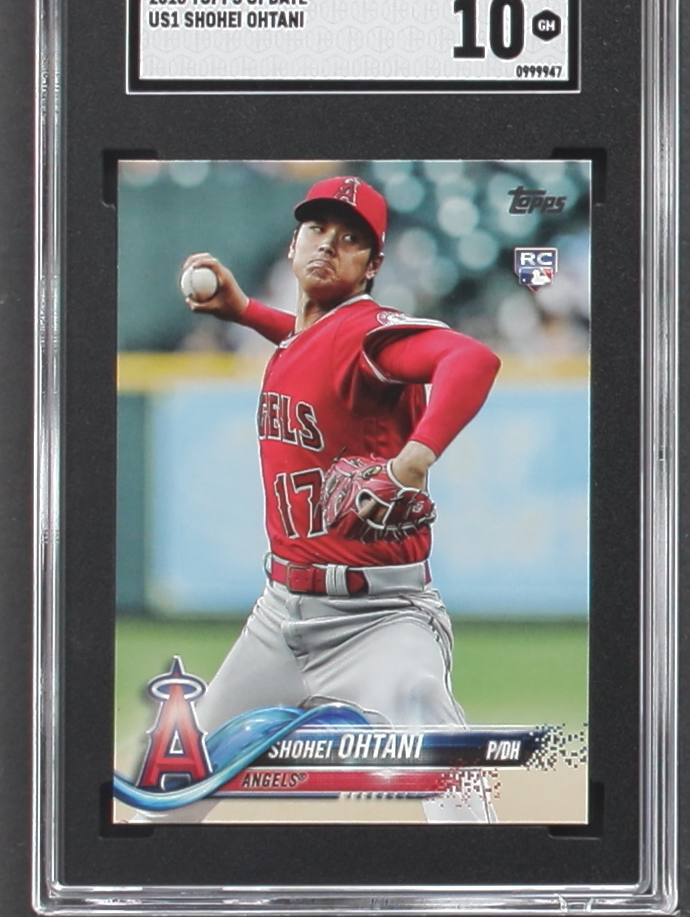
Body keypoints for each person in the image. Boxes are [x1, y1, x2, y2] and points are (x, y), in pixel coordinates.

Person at [146, 175, 501, 822]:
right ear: (292, 244)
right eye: (317, 229)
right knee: (176, 788)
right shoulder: (307, 337)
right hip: (279, 617)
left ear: (373, 265)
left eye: (351, 239)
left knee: (432, 737)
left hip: (379, 618)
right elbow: (311, 345)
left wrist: (412, 460)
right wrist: (244, 310)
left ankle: (490, 885)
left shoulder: (373, 334)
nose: (329, 245)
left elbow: (471, 359)